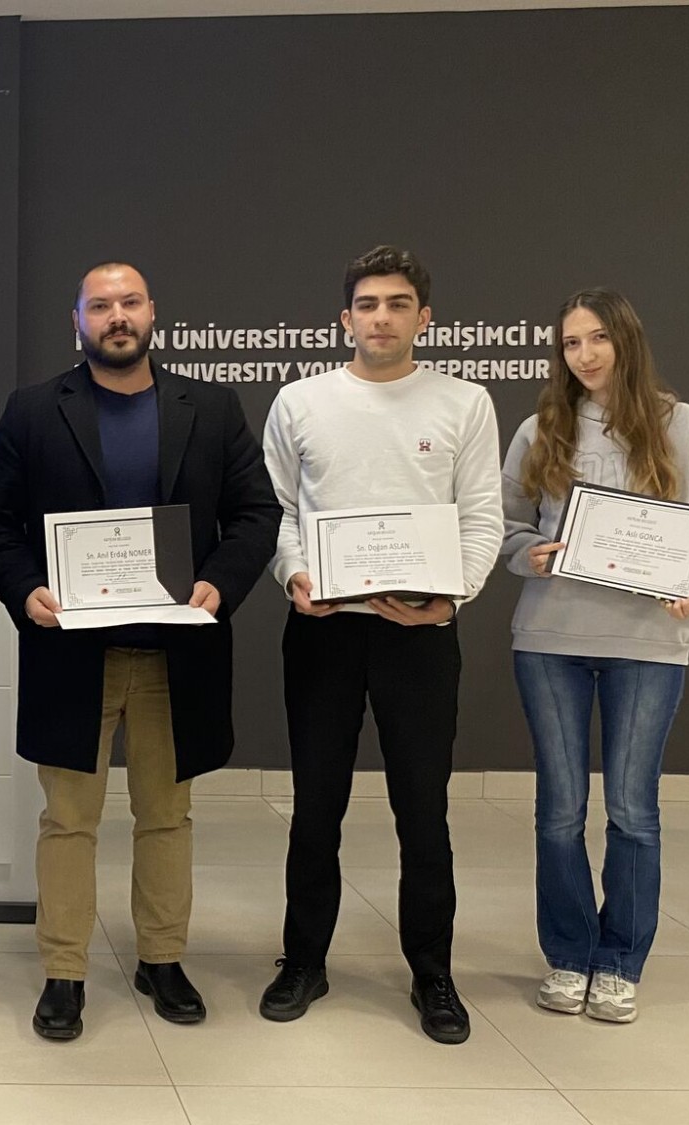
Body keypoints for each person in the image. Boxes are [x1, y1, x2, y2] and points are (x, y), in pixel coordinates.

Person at [0, 263, 279, 1041]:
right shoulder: (34, 410)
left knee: (167, 815)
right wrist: (25, 589)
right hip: (71, 652)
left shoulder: (211, 408)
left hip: (176, 655)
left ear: (153, 313)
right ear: (76, 320)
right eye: (101, 305)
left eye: (130, 302)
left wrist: (219, 583)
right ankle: (64, 970)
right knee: (67, 820)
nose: (117, 316)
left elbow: (255, 512)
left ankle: (162, 958)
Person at [258, 245, 503, 1044]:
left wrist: (450, 598)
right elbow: (277, 511)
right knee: (315, 807)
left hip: (420, 636)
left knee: (423, 811)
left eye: (398, 304)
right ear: (345, 319)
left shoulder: (464, 403)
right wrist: (296, 574)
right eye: (367, 304)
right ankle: (304, 959)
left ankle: (433, 972)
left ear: (423, 318)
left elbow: (482, 516)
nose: (382, 317)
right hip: (323, 630)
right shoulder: (301, 401)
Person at [502, 289, 689, 1024]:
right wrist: (529, 553)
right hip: (551, 640)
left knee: (634, 811)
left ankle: (619, 963)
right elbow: (505, 526)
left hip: (649, 644)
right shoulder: (540, 428)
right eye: (572, 343)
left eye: (598, 338)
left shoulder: (683, 424)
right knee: (559, 810)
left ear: (627, 341)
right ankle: (570, 953)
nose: (585, 354)